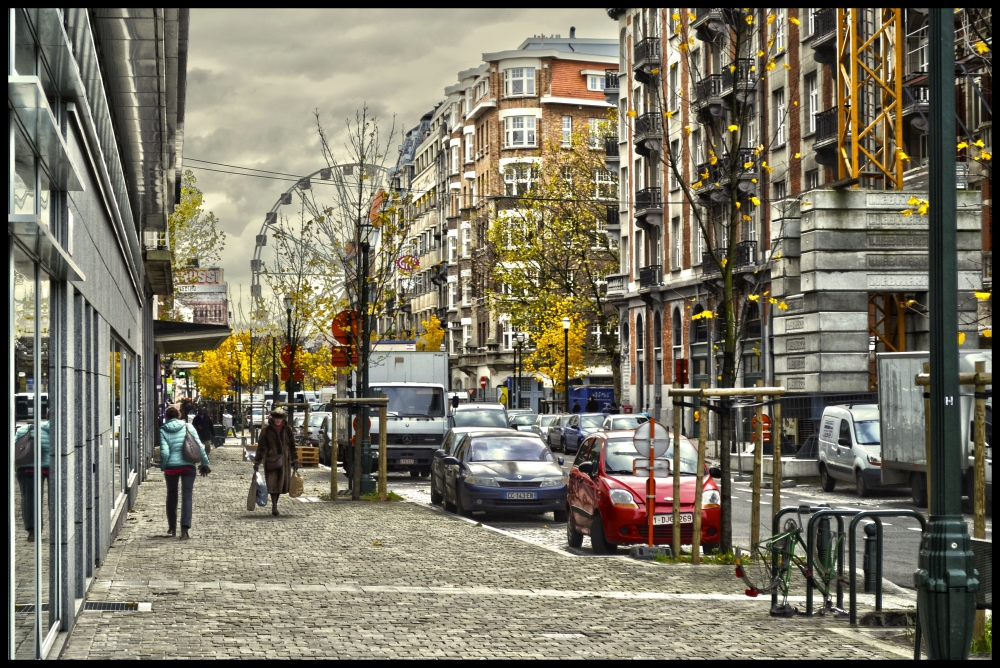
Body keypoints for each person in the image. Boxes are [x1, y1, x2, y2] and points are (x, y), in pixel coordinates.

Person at [159, 406, 211, 539]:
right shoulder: (188, 427)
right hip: (188, 466)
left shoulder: (163, 430)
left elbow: (164, 452)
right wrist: (205, 463)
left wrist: (164, 467)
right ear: (179, 415)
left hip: (171, 468)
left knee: (171, 496)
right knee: (187, 496)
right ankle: (185, 529)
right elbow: (199, 446)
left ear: (167, 417)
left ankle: (172, 527)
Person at [254, 408, 299, 516]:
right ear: (272, 419)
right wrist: (257, 461)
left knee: (280, 484)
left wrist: (295, 460)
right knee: (272, 483)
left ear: (283, 419)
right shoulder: (266, 431)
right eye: (276, 419)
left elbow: (292, 446)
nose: (278, 421)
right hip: (271, 460)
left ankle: (275, 504)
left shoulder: (288, 430)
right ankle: (274, 505)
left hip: (284, 462)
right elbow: (261, 447)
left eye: (280, 419)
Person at [15, 410, 52, 543]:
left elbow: (15, 447)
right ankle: (58, 529)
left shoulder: (26, 429)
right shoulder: (61, 432)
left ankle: (33, 532)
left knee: (30, 499)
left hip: (27, 468)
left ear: (46, 416)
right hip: (51, 468)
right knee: (56, 500)